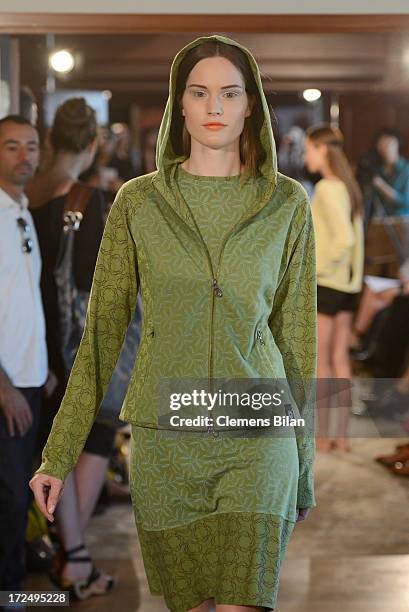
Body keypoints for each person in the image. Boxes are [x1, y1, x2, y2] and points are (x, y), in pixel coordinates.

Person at [30, 35, 317, 612]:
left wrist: (303, 464)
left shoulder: (286, 204)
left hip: (258, 435)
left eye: (230, 93)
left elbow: (297, 341)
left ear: (250, 106)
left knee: (242, 603)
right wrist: (58, 454)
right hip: (169, 439)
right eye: (200, 92)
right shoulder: (137, 204)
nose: (215, 108)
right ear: (178, 105)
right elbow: (101, 338)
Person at [26, 98, 116, 599]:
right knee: (98, 437)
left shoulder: (24, 193)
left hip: (32, 342)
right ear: (94, 143)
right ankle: (74, 557)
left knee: (54, 450)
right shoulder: (87, 198)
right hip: (75, 344)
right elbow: (91, 281)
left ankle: (72, 556)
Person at [0, 115, 48, 594]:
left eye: (31, 147)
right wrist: (5, 386)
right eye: (12, 146)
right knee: (10, 499)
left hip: (30, 378)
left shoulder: (23, 210)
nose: (23, 156)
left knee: (19, 501)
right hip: (6, 386)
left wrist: (43, 366)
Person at [304, 124, 365, 453]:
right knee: (339, 358)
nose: (305, 155)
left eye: (308, 148)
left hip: (328, 283)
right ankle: (341, 436)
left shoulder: (328, 187)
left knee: (321, 362)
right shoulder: (347, 186)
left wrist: (316, 269)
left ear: (321, 149)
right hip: (348, 285)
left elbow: (344, 239)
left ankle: (324, 436)